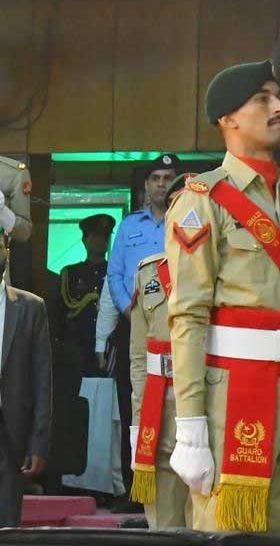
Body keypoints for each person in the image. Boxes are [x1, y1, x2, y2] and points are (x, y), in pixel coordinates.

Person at [165, 60, 280, 541]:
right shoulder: (204, 200)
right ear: (228, 119)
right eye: (262, 99)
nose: (279, 107)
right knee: (229, 535)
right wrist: (190, 422)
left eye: (278, 96)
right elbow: (188, 315)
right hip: (232, 397)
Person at [107, 153, 183, 490]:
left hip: (180, 326)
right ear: (146, 185)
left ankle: (180, 483)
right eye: (156, 178)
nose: (162, 185)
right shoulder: (129, 225)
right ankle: (135, 484)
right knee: (133, 401)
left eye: (168, 178)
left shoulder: (189, 218)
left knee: (180, 403)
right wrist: (130, 311)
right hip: (136, 326)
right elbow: (115, 273)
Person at [129, 230, 188, 528]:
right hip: (158, 403)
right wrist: (137, 422)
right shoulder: (148, 272)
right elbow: (139, 357)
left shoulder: (229, 270)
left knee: (208, 526)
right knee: (163, 526)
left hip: (210, 399)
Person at [0, 229, 52, 526]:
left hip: (11, 434)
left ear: (6, 251)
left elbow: (42, 380)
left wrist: (39, 442)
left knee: (7, 526)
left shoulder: (31, 308)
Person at [51, 213, 114, 378]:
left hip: (107, 351)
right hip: (75, 351)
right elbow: (57, 315)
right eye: (97, 235)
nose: (102, 240)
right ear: (85, 239)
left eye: (106, 236)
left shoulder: (116, 273)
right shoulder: (70, 274)